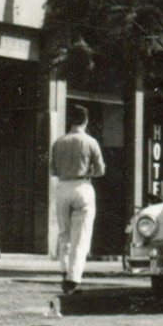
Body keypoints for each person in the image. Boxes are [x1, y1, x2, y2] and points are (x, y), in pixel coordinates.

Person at [50, 104, 105, 295]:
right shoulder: (91, 142)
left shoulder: (58, 142)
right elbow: (100, 170)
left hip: (62, 186)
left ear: (70, 121)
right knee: (80, 235)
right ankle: (73, 279)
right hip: (83, 186)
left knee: (64, 233)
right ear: (86, 121)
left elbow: (52, 170)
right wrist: (88, 170)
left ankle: (65, 271)